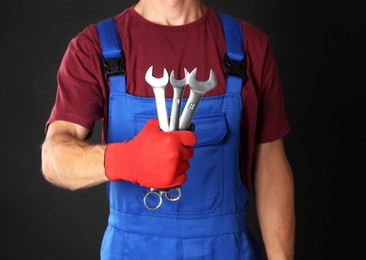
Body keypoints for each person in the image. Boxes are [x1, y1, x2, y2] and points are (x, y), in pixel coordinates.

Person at [41, 0, 295, 259]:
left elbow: (270, 166)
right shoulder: (94, 47)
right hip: (131, 251)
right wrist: (128, 160)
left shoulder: (249, 46)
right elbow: (54, 160)